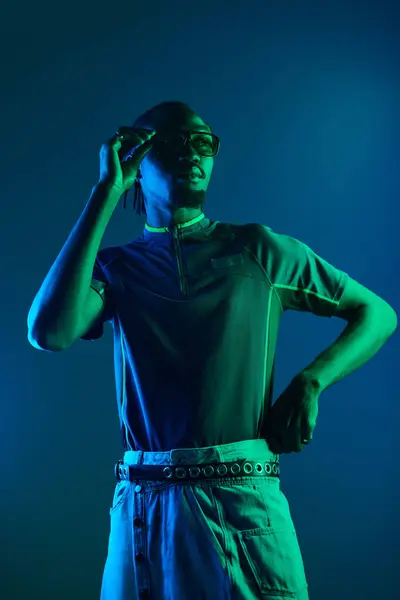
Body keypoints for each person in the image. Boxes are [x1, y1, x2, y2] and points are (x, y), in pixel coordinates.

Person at [27, 101, 397, 600]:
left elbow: (377, 313)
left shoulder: (258, 250)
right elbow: (49, 332)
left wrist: (311, 381)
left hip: (239, 500)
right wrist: (105, 192)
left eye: (204, 142)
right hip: (143, 503)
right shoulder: (115, 269)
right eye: (174, 143)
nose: (193, 153)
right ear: (136, 156)